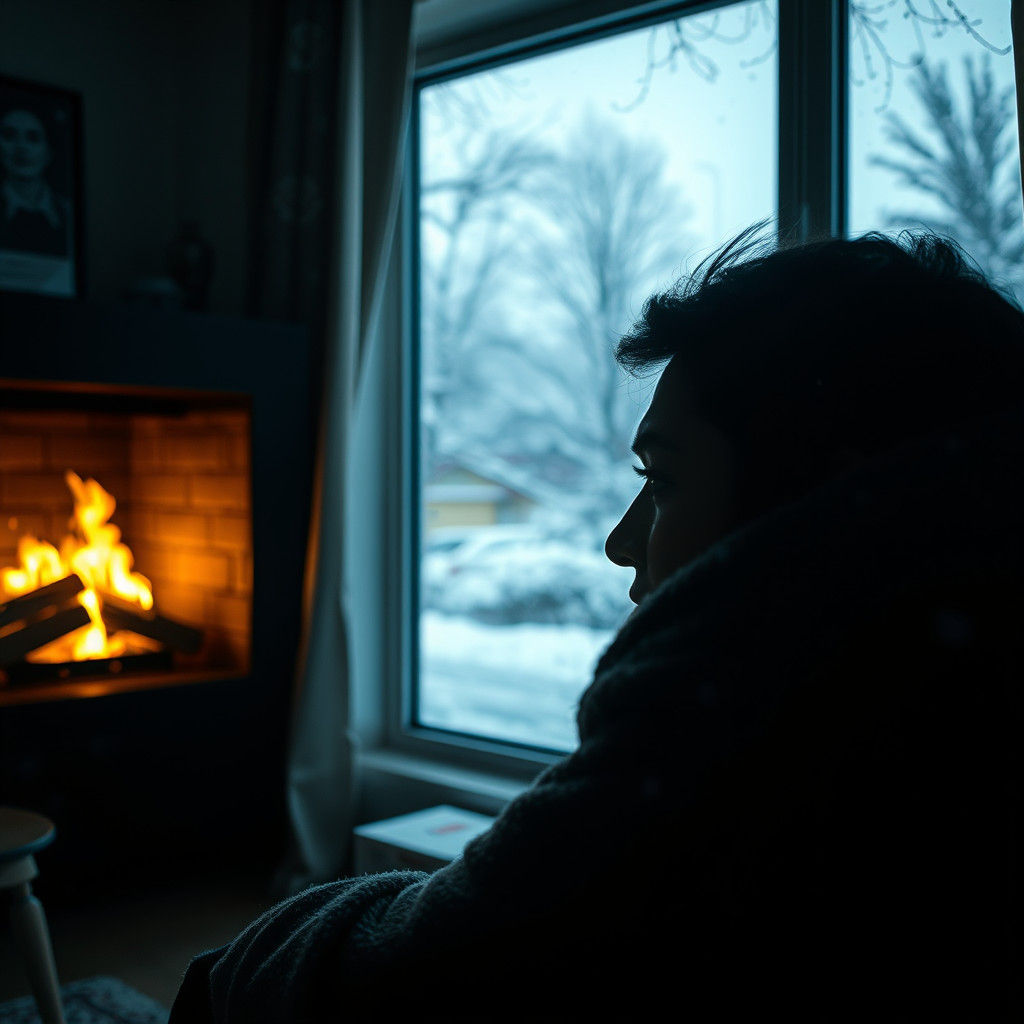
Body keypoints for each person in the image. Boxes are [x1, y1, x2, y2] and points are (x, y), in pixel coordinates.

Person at [169, 225, 1022, 1022]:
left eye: (667, 479)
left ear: (822, 511)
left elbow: (426, 960)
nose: (620, 542)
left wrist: (223, 978)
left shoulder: (714, 741)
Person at [0, 105, 72, 257]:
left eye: (33, 138)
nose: (21, 147)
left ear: (49, 152)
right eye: (9, 135)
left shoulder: (67, 212)